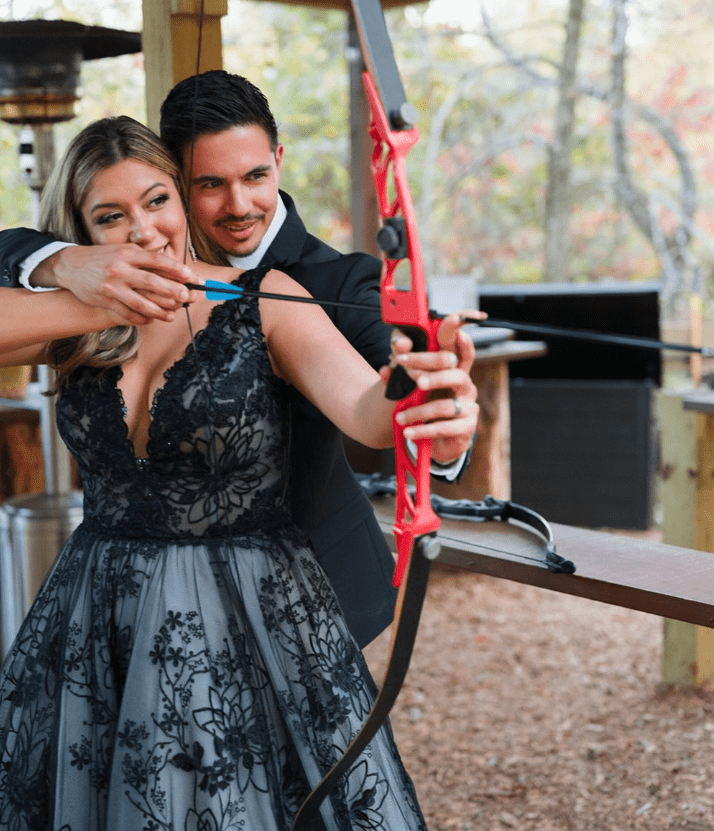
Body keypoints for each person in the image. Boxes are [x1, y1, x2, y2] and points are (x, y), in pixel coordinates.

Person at [0, 115, 478, 830]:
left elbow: (367, 410)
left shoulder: (266, 302)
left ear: (183, 202)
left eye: (157, 201)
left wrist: (422, 391)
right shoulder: (77, 324)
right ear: (81, 233)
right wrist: (81, 284)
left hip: (250, 612)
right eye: (111, 217)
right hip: (99, 614)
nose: (143, 230)